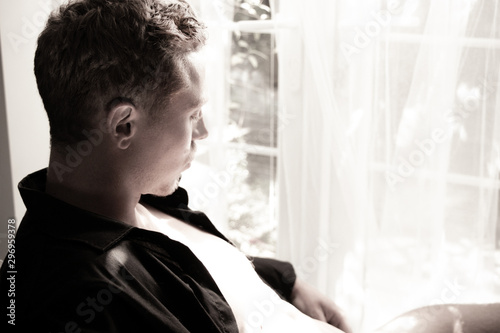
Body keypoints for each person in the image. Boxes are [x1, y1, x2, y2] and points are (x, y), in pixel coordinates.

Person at [0, 0, 351, 332]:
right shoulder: (89, 301)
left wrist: (283, 280)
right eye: (193, 114)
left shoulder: (131, 195)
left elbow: (193, 262)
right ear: (124, 125)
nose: (204, 131)